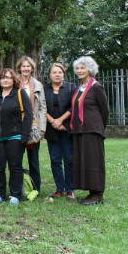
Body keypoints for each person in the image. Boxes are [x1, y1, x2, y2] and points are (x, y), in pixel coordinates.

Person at [0, 69, 33, 206]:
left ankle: (15, 195)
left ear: (13, 80)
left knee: (15, 167)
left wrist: (24, 136)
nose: (5, 80)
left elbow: (28, 115)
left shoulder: (19, 94)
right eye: (3, 78)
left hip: (15, 137)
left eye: (8, 78)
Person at [70, 56, 109, 205]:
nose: (79, 71)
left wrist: (98, 127)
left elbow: (105, 111)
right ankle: (90, 191)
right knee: (84, 161)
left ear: (90, 69)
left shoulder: (96, 87)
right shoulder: (78, 88)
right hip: (79, 130)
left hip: (92, 130)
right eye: (77, 68)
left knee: (94, 161)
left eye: (82, 68)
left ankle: (97, 194)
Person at [45, 62, 76, 199]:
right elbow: (40, 107)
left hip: (67, 128)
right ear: (50, 75)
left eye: (59, 72)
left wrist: (61, 121)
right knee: (55, 159)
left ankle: (70, 189)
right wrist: (53, 121)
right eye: (54, 72)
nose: (57, 75)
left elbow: (73, 107)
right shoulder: (44, 89)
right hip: (51, 129)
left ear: (63, 74)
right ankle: (59, 188)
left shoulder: (71, 88)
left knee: (69, 159)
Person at [17, 56, 47, 193]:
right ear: (19, 68)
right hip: (17, 126)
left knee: (33, 160)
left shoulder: (38, 85)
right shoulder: (14, 82)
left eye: (28, 66)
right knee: (16, 160)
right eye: (23, 66)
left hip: (33, 127)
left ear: (32, 68)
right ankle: (18, 188)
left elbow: (42, 107)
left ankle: (36, 188)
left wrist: (42, 128)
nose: (26, 68)